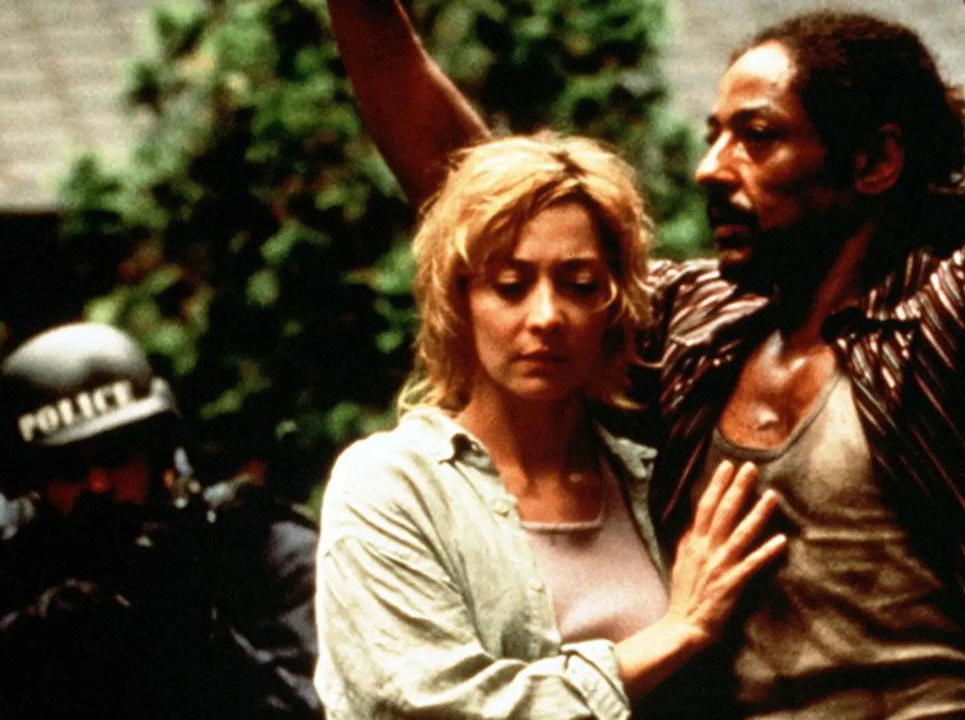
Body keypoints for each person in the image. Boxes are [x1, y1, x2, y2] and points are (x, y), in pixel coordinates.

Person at [326, 1, 965, 718]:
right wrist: (364, 15)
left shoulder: (960, 324)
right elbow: (495, 204)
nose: (711, 167)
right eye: (715, 134)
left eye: (757, 136)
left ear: (872, 163)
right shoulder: (699, 332)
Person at [314, 132, 787, 719]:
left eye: (580, 285)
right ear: (459, 300)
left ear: (614, 305)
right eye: (510, 286)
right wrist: (676, 631)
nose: (546, 317)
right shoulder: (391, 485)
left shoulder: (648, 479)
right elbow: (425, 705)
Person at [0, 322, 323, 720]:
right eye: (70, 467)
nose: (98, 484)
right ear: (34, 478)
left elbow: (315, 707)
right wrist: (39, 631)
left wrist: (196, 633)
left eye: (115, 455)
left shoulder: (250, 543)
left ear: (155, 451)